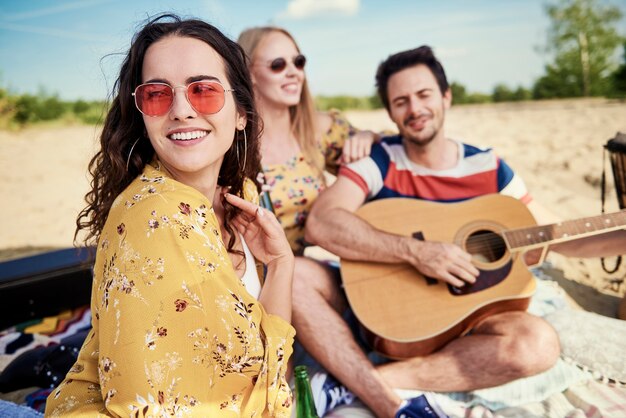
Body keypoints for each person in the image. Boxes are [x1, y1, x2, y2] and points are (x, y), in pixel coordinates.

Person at [297, 45, 568, 418]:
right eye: (401, 101)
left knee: (539, 345)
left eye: (424, 95)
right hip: (380, 307)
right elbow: (323, 222)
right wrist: (418, 253)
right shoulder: (380, 159)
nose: (415, 109)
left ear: (446, 96)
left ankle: (361, 381)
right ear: (391, 112)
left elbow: (559, 231)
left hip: (472, 316)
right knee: (296, 273)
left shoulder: (489, 166)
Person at [45, 14, 295, 417]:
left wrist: (282, 264)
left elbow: (267, 363)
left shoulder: (239, 195)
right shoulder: (153, 216)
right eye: (157, 95)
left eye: (204, 90)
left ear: (241, 113)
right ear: (142, 115)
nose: (181, 110)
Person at [237, 26, 378, 255]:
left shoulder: (321, 129)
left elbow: (401, 150)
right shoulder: (232, 144)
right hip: (265, 277)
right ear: (249, 73)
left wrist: (369, 136)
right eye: (278, 65)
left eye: (298, 62)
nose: (293, 72)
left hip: (316, 267)